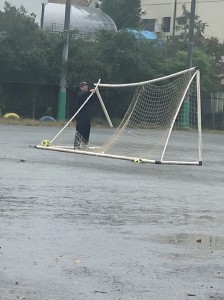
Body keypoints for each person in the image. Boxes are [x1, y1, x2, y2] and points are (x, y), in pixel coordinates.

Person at [74, 81, 97, 149]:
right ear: (81, 87)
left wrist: (95, 93)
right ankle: (76, 145)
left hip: (87, 116)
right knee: (79, 130)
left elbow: (94, 100)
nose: (86, 87)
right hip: (81, 116)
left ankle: (85, 144)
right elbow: (83, 96)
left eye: (86, 85)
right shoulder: (80, 94)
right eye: (84, 86)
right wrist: (90, 91)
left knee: (87, 130)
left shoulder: (88, 94)